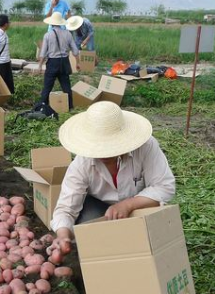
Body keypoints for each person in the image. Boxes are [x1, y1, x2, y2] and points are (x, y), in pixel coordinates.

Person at [50, 101, 175, 247]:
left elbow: (164, 187)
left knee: (154, 239)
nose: (104, 154)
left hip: (140, 207)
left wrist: (128, 205)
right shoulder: (81, 165)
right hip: (102, 209)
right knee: (90, 237)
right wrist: (63, 235)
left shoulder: (145, 147)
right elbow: (66, 208)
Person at [39, 12, 80, 109]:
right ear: (61, 23)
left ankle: (42, 106)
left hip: (52, 62)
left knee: (47, 86)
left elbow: (43, 52)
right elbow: (75, 50)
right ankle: (70, 106)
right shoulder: (68, 34)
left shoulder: (47, 35)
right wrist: (77, 62)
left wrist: (40, 65)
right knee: (66, 86)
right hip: (64, 62)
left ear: (51, 23)